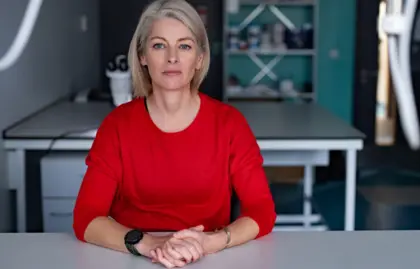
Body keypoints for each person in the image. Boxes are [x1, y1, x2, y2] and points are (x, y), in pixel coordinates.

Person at [72, 0, 276, 267]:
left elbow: (262, 211)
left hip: (209, 258)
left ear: (199, 58)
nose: (172, 57)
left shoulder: (230, 124)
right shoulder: (117, 125)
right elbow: (86, 218)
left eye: (184, 46)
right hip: (133, 258)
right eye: (159, 45)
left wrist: (210, 242)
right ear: (142, 56)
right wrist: (150, 244)